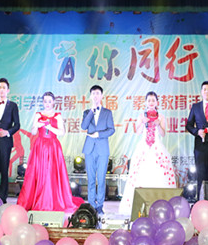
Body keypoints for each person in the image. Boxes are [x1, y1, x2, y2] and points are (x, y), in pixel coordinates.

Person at [17, 92, 84, 213]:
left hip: (53, 146)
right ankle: (37, 199)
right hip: (40, 146)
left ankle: (50, 200)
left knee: (51, 173)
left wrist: (50, 128)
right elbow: (33, 132)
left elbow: (62, 132)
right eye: (45, 101)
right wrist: (37, 125)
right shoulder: (38, 115)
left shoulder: (57, 116)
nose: (47, 103)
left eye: (49, 101)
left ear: (53, 102)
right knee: (39, 172)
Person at [119, 91, 177, 216]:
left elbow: (163, 134)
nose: (151, 102)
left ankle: (160, 205)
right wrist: (143, 122)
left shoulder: (161, 116)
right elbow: (138, 132)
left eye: (153, 100)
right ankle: (140, 206)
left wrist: (158, 125)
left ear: (157, 102)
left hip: (157, 147)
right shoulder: (141, 116)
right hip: (144, 148)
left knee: (159, 174)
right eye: (149, 100)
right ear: (145, 102)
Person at [81, 85, 115, 215]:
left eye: (97, 93)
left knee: (101, 179)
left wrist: (98, 134)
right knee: (90, 179)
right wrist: (91, 111)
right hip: (89, 149)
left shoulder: (107, 112)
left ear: (101, 96)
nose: (95, 96)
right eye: (93, 93)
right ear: (90, 96)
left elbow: (111, 129)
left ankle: (100, 205)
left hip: (102, 149)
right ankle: (91, 205)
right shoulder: (86, 112)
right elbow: (84, 126)